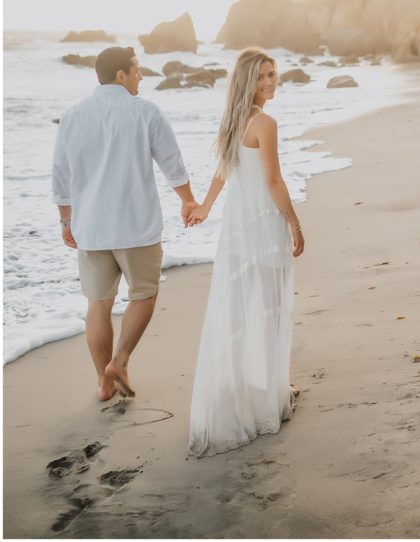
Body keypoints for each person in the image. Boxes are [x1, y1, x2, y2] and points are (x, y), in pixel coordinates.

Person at [52, 46, 197, 401]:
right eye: (137, 70)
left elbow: (60, 176)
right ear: (121, 75)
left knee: (98, 304)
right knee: (144, 294)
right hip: (136, 226)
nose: (141, 76)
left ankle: (103, 384)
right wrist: (188, 200)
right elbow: (172, 163)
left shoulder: (72, 116)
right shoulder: (145, 111)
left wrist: (66, 221)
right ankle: (119, 361)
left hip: (91, 229)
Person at [185, 47, 305, 457]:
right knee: (269, 311)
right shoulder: (265, 123)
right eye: (262, 76)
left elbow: (223, 171)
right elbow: (273, 181)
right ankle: (270, 395)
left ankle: (249, 388)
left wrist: (205, 206)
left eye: (273, 74)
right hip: (264, 228)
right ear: (248, 82)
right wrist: (295, 222)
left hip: (237, 232)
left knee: (238, 312)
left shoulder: (233, 120)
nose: (270, 82)